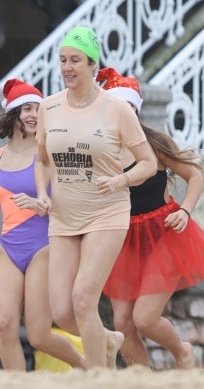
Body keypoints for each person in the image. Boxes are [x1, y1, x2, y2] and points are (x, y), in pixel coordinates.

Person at [33, 26, 158, 369]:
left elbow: (149, 163)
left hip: (107, 214)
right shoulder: (49, 108)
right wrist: (43, 193)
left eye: (75, 60)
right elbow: (42, 161)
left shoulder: (116, 109)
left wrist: (121, 180)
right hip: (63, 216)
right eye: (62, 61)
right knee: (62, 310)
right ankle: (108, 340)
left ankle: (99, 378)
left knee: (83, 298)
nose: (68, 67)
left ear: (92, 65)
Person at [96, 68, 204, 370]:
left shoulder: (154, 143)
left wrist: (185, 209)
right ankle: (143, 382)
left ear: (135, 110)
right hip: (122, 238)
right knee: (122, 322)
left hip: (163, 232)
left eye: (127, 107)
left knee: (145, 318)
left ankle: (181, 350)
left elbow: (193, 175)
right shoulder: (100, 150)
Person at [0, 79, 84, 371]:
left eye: (38, 109)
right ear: (13, 114)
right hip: (7, 247)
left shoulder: (48, 154)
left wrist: (40, 204)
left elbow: (73, 201)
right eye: (26, 108)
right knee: (3, 324)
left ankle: (88, 366)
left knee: (38, 335)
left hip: (43, 245)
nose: (34, 114)